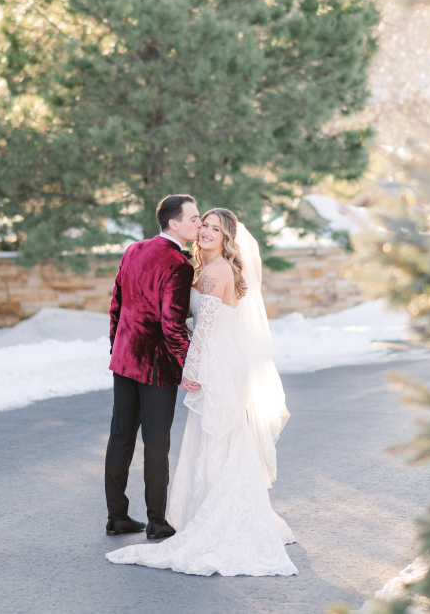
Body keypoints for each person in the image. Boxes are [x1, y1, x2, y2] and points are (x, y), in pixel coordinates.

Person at [106, 208, 298, 577]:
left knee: (217, 438)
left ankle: (218, 516)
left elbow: (199, 326)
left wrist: (180, 366)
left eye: (213, 227)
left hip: (214, 364)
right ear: (179, 223)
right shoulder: (194, 267)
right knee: (198, 439)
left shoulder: (208, 269)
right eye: (201, 223)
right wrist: (186, 364)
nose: (204, 230)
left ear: (228, 237)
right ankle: (177, 515)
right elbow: (180, 321)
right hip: (205, 361)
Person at [104, 194, 201, 541]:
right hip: (157, 366)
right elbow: (172, 325)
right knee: (156, 443)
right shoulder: (179, 264)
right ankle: (156, 521)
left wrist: (117, 346)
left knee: (120, 437)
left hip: (125, 359)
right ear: (174, 223)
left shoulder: (134, 249)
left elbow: (116, 303)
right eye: (193, 218)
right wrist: (190, 366)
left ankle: (117, 516)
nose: (199, 224)